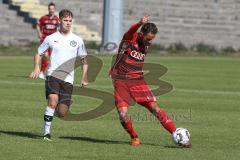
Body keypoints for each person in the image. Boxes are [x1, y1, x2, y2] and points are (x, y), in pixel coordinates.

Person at [110, 15, 191, 147]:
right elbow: (130, 31)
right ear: (141, 34)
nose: (149, 42)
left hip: (138, 81)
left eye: (151, 40)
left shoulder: (146, 44)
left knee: (154, 108)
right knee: (123, 114)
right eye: (148, 39)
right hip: (121, 82)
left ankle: (176, 133)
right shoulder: (129, 40)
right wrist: (139, 23)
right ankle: (134, 137)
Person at [30, 9, 88, 141]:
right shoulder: (51, 38)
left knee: (62, 113)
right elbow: (38, 53)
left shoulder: (77, 40)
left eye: (70, 21)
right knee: (52, 101)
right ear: (59, 21)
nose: (68, 23)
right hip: (52, 75)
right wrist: (36, 67)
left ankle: (52, 112)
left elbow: (84, 61)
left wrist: (84, 77)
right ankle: (46, 133)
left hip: (68, 78)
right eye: (65, 20)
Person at [36, 2, 59, 79]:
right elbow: (38, 25)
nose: (51, 10)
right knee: (45, 56)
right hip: (44, 40)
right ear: (48, 9)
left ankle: (43, 72)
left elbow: (60, 28)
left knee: (52, 58)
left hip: (54, 41)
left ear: (54, 9)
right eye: (50, 9)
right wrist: (39, 33)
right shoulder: (43, 18)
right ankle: (41, 73)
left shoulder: (57, 19)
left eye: (52, 9)